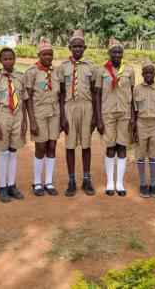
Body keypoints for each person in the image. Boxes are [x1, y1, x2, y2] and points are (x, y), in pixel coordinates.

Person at [95, 38, 136, 196]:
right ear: (109, 53)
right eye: (114, 52)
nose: (117, 55)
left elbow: (132, 95)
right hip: (108, 113)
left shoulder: (129, 70)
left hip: (125, 113)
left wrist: (133, 117)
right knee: (110, 147)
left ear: (122, 53)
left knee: (122, 147)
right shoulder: (101, 71)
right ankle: (110, 182)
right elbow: (97, 95)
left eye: (119, 52)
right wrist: (99, 118)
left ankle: (119, 183)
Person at [58, 29, 97, 197]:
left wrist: (95, 116)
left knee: (86, 145)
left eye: (80, 46)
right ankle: (71, 180)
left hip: (87, 107)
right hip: (69, 107)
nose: (78, 49)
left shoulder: (91, 67)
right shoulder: (63, 67)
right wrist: (62, 116)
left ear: (85, 48)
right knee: (70, 145)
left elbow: (94, 92)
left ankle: (86, 179)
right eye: (75, 46)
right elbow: (61, 93)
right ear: (70, 48)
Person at [0, 47, 29, 202]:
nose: (8, 61)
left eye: (11, 58)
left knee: (13, 150)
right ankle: (2, 187)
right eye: (5, 59)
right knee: (3, 151)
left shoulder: (21, 77)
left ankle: (12, 185)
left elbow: (24, 100)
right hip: (3, 115)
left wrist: (25, 120)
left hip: (18, 115)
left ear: (15, 59)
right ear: (0, 61)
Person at [26, 38, 61, 196]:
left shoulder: (56, 71)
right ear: (38, 55)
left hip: (54, 113)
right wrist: (32, 121)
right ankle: (37, 182)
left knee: (52, 147)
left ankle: (48, 181)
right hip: (39, 114)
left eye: (50, 54)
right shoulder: (32, 72)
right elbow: (28, 98)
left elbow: (60, 95)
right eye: (44, 54)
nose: (47, 57)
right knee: (40, 148)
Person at [132, 58, 155, 198]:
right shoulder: (136, 89)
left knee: (154, 155)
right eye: (146, 73)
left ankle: (153, 184)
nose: (148, 75)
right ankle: (143, 184)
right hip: (141, 124)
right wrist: (134, 128)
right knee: (140, 154)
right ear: (142, 74)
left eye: (151, 72)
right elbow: (133, 109)